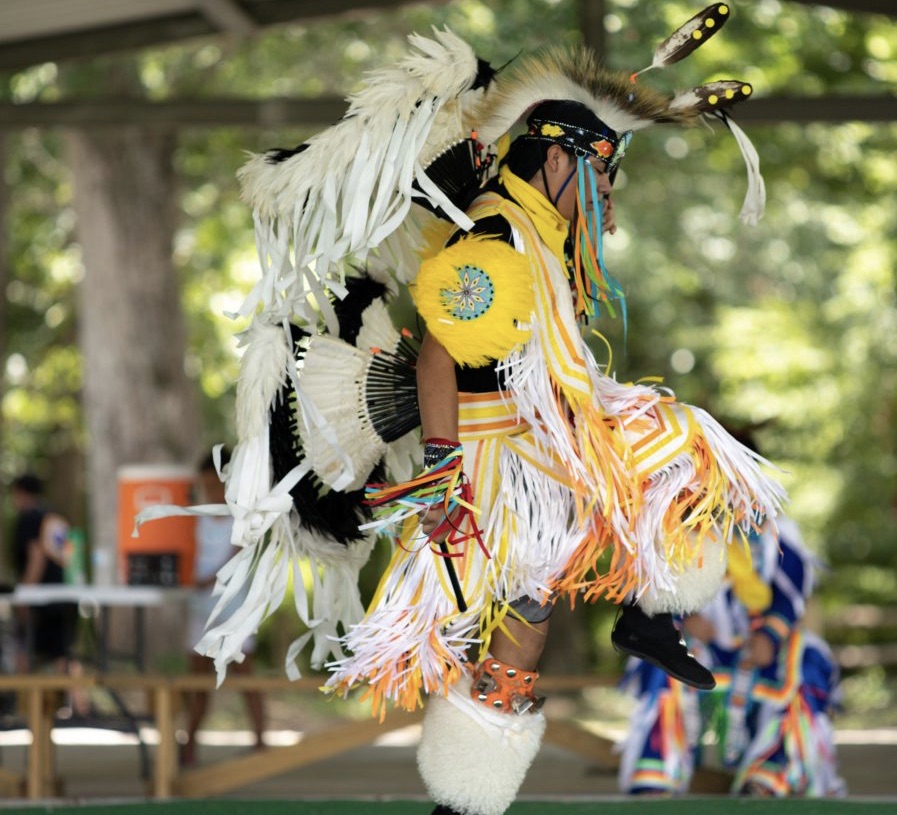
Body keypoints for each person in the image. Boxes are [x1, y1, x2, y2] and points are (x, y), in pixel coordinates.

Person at [202, 9, 783, 815]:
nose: (607, 195)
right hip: (487, 460)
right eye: (599, 176)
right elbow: (440, 353)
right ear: (555, 160)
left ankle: (611, 653)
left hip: (535, 450)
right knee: (660, 456)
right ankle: (480, 782)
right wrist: (441, 470)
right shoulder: (496, 238)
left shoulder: (540, 239)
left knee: (583, 555)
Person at [617, 512, 846, 797]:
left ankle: (773, 778)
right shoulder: (677, 525)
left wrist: (770, 636)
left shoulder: (773, 532)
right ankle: (658, 776)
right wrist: (684, 618)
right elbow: (655, 585)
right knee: (662, 663)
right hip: (701, 643)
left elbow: (792, 591)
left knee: (805, 663)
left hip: (761, 644)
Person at [181, 449, 266, 767]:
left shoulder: (243, 517)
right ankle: (188, 746)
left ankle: (260, 742)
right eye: (206, 484)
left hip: (235, 609)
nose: (211, 490)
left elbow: (236, 556)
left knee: (246, 678)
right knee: (197, 682)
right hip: (200, 610)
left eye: (216, 484)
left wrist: (207, 580)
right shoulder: (196, 517)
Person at [8, 473, 88, 715]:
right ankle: (82, 706)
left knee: (28, 652)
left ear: (20, 493)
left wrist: (25, 595)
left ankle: (23, 709)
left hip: (43, 599)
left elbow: (36, 556)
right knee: (62, 654)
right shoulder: (55, 516)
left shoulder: (30, 518)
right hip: (66, 594)